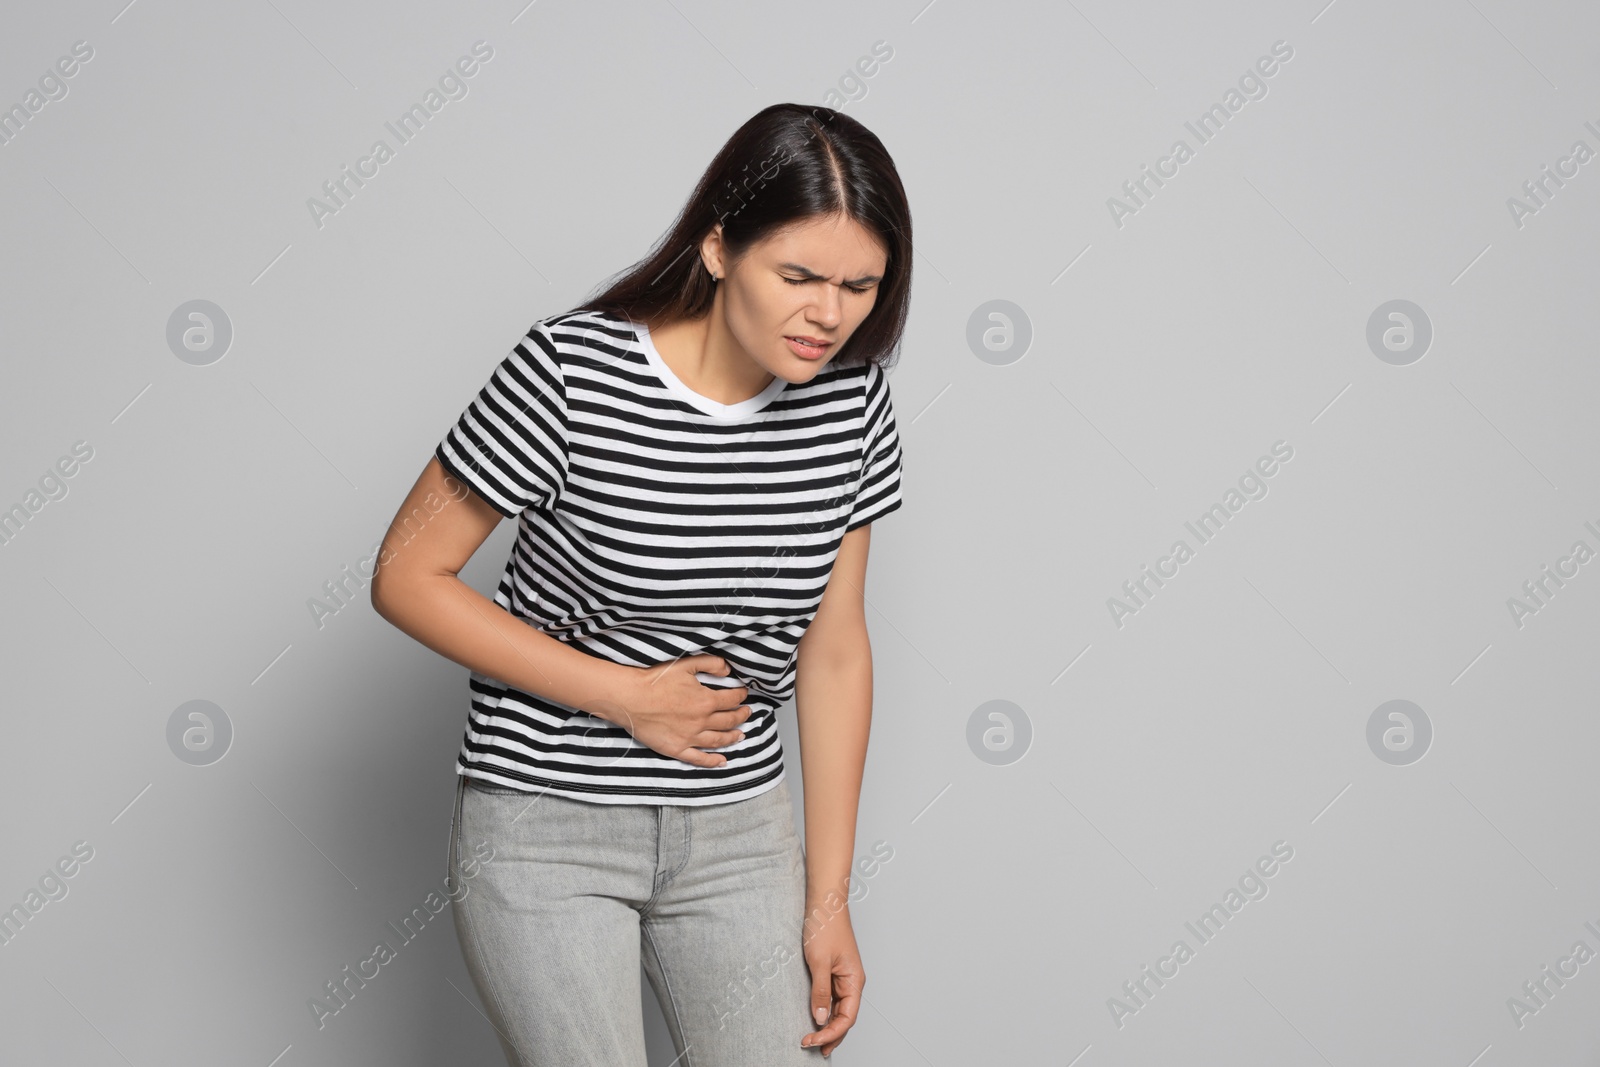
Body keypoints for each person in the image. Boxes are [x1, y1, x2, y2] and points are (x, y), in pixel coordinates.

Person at [371, 102, 912, 1066]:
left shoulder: (851, 401)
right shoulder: (569, 370)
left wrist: (828, 899)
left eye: (859, 286)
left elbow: (833, 649)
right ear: (717, 248)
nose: (828, 314)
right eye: (797, 276)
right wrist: (626, 698)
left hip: (740, 835)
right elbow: (407, 574)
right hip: (546, 825)